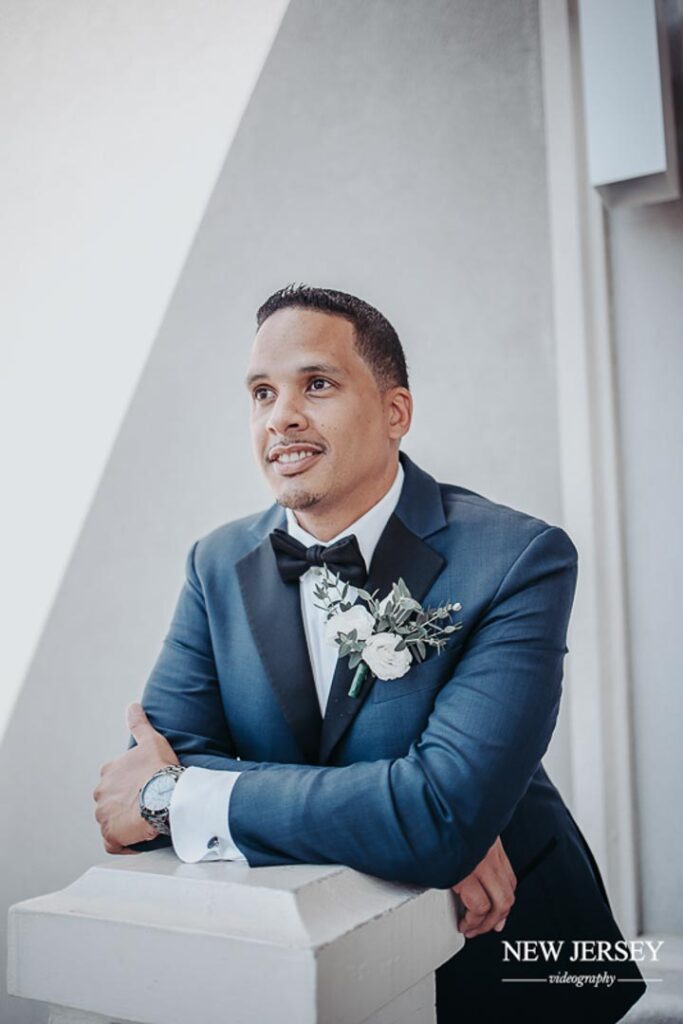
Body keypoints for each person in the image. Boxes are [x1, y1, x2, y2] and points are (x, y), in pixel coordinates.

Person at [93, 285, 645, 1022]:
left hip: (516, 956)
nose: (280, 415)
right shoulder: (215, 563)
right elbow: (150, 768)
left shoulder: (518, 556)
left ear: (395, 413)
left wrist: (179, 797)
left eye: (315, 384)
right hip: (309, 977)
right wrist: (403, 821)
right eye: (261, 392)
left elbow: (442, 814)